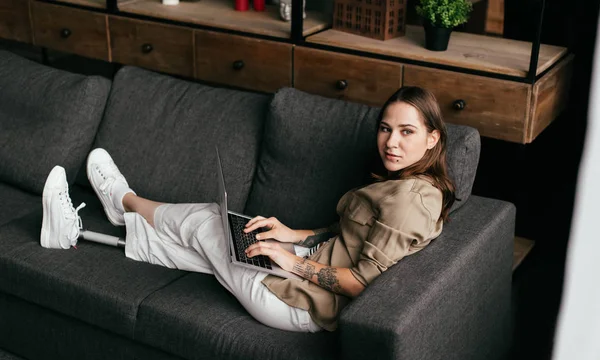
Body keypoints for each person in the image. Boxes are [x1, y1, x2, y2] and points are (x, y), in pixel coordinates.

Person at [40, 86, 456, 333]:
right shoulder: (402, 184)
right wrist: (290, 235)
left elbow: (363, 285)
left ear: (432, 138)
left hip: (300, 303)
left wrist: (289, 262)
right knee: (204, 249)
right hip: (305, 270)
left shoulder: (411, 200)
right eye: (386, 129)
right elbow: (346, 235)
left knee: (209, 220)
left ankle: (121, 200)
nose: (391, 143)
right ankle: (75, 234)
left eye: (406, 132)